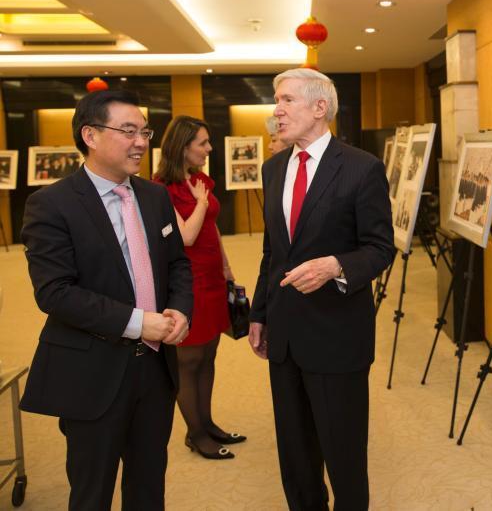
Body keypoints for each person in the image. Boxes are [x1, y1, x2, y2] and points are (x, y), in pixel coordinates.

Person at [19, 89, 192, 510]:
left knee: (149, 486)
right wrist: (139, 322)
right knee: (91, 491)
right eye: (128, 131)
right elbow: (55, 292)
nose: (141, 142)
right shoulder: (51, 204)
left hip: (155, 368)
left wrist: (180, 308)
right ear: (90, 135)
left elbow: (177, 264)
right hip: (92, 372)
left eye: (144, 132)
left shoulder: (154, 196)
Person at [249, 67, 394, 510]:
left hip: (336, 336)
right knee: (295, 457)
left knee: (343, 454)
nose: (276, 110)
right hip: (284, 335)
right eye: (277, 100)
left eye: (287, 100)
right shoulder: (273, 168)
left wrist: (336, 265)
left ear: (319, 107)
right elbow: (273, 251)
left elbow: (380, 247)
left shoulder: (362, 168)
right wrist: (259, 314)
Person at [153, 115, 245, 460]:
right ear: (183, 146)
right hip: (187, 281)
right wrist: (202, 203)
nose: (209, 149)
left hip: (212, 277)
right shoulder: (162, 189)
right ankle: (195, 434)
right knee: (189, 359)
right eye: (203, 143)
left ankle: (207, 423)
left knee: (208, 354)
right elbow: (186, 236)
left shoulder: (200, 179)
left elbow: (212, 228)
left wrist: (226, 267)